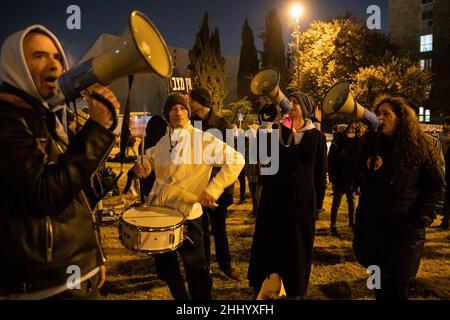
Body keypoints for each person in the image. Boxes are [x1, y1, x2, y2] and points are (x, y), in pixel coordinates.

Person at [0, 26, 118, 299]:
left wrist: (92, 256)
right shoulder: (8, 121)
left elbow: (75, 196)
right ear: (13, 63)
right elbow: (45, 193)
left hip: (73, 274)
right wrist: (97, 128)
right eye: (39, 56)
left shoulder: (44, 117)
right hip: (44, 287)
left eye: (57, 57)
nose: (53, 64)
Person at [135, 93, 244, 300]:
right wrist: (144, 167)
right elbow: (149, 158)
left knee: (197, 271)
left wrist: (214, 189)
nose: (179, 112)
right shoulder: (163, 141)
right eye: (173, 109)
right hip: (161, 215)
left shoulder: (202, 140)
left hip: (188, 216)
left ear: (188, 112)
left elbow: (236, 160)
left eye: (183, 108)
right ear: (167, 114)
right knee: (166, 268)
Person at [353, 95, 445, 300]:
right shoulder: (373, 143)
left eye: (386, 114)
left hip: (402, 236)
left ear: (400, 119)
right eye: (378, 113)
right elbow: (356, 173)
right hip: (374, 235)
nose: (380, 117)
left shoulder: (420, 147)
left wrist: (419, 220)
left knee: (396, 290)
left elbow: (436, 187)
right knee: (377, 286)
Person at [248, 91, 327, 299]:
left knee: (298, 244)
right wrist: (266, 128)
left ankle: (295, 284)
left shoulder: (317, 137)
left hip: (303, 200)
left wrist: (318, 203)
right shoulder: (277, 131)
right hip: (275, 197)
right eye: (289, 101)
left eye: (296, 102)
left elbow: (320, 172)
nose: (291, 105)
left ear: (306, 108)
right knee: (272, 241)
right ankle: (267, 281)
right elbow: (262, 159)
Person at [189, 87, 242, 281]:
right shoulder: (191, 125)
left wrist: (220, 188)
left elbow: (232, 160)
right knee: (200, 230)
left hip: (218, 189)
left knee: (219, 230)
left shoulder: (222, 125)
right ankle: (204, 267)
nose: (189, 102)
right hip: (196, 187)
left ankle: (225, 266)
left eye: (192, 99)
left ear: (200, 101)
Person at [327, 122, 363, 235]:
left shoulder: (355, 142)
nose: (351, 131)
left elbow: (357, 162)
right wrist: (333, 178)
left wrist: (356, 180)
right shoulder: (337, 144)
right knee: (337, 202)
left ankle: (351, 223)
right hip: (339, 179)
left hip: (350, 179)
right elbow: (331, 162)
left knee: (351, 202)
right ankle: (333, 225)